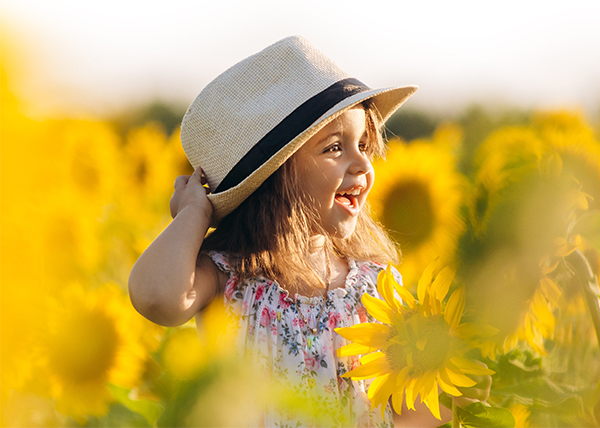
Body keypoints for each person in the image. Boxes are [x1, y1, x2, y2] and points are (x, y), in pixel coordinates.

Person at [128, 36, 435, 427]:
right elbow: (156, 297)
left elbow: (409, 411)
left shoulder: (375, 287)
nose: (362, 163)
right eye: (334, 148)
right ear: (274, 176)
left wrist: (446, 388)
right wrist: (193, 214)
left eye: (363, 144)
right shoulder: (229, 275)